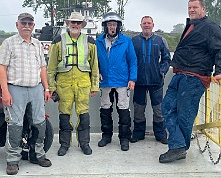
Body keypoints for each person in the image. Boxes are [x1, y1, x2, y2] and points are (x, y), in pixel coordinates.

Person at [159, 0, 221, 163]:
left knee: (185, 116)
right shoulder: (193, 25)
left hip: (193, 78)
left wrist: (219, 71)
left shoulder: (210, 27)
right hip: (180, 75)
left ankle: (178, 148)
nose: (191, 10)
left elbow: (219, 49)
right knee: (166, 108)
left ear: (203, 9)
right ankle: (179, 144)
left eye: (195, 7)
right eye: (189, 7)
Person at [0, 13, 52, 175]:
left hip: (36, 88)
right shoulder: (9, 43)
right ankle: (13, 160)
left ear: (33, 26)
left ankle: (38, 155)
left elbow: (42, 68)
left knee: (39, 123)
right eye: (24, 23)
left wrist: (46, 88)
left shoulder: (37, 44)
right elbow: (2, 68)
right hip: (16, 88)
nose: (27, 26)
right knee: (15, 125)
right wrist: (6, 92)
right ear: (17, 25)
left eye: (30, 23)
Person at [47, 11, 99, 156]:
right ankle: (64, 144)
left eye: (78, 23)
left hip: (83, 85)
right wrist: (51, 87)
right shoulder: (58, 41)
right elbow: (51, 68)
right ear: (68, 24)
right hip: (64, 86)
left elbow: (95, 66)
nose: (75, 25)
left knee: (84, 116)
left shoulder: (90, 42)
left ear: (82, 25)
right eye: (72, 22)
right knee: (64, 116)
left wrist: (94, 86)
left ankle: (84, 143)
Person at [96, 12, 137, 151]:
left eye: (114, 25)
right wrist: (97, 72)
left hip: (122, 81)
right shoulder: (99, 42)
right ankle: (106, 136)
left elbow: (133, 61)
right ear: (105, 27)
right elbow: (94, 61)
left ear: (118, 26)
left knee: (123, 109)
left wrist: (132, 79)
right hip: (105, 81)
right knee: (105, 109)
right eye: (109, 25)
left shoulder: (126, 41)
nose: (112, 27)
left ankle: (124, 138)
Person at [130, 16, 171, 145]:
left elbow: (167, 59)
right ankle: (138, 133)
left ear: (153, 25)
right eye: (144, 23)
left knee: (158, 110)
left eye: (149, 23)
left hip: (156, 82)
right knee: (138, 109)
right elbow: (130, 60)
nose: (146, 25)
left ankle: (160, 134)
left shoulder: (160, 40)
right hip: (139, 82)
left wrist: (161, 71)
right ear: (140, 25)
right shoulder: (134, 41)